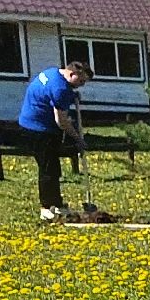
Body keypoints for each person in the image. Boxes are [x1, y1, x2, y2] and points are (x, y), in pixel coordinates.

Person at [17, 60, 92, 222]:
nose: (81, 85)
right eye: (80, 81)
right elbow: (62, 122)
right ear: (72, 74)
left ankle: (57, 204)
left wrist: (72, 94)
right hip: (38, 129)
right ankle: (46, 209)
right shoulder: (61, 89)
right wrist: (77, 138)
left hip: (29, 122)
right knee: (48, 169)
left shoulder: (53, 72)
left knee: (53, 167)